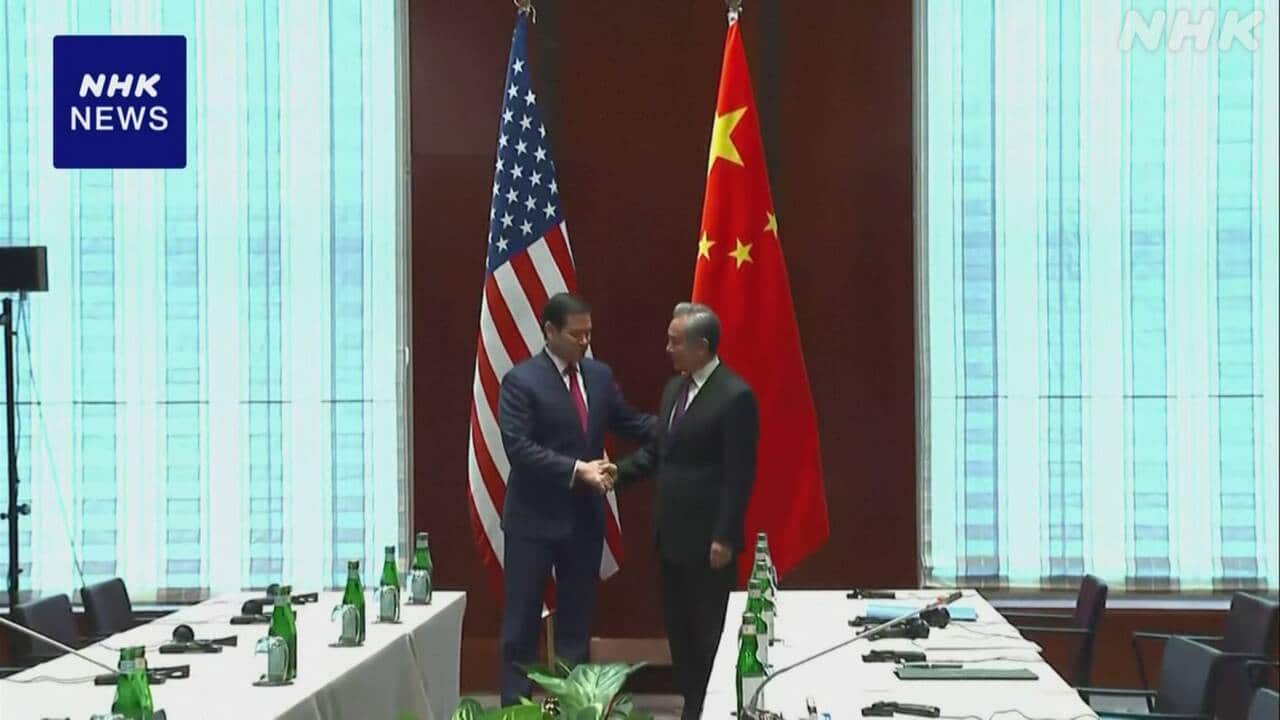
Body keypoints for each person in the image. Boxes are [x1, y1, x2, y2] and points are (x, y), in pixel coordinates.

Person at [497, 292, 656, 706]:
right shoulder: (521, 381)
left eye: (589, 334)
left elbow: (629, 421)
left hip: (583, 521)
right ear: (550, 331)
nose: (585, 342)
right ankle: (515, 709)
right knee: (521, 625)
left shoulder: (599, 376)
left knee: (575, 626)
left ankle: (573, 708)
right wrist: (576, 470)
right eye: (576, 335)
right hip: (532, 521)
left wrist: (682, 424)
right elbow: (519, 448)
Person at [616, 301, 758, 720]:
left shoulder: (735, 395)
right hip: (671, 537)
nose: (668, 349)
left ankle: (708, 710)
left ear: (702, 346)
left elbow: (739, 473)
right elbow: (660, 452)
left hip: (709, 542)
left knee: (708, 632)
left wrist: (725, 535)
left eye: (675, 342)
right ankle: (691, 708)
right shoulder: (673, 390)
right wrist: (616, 473)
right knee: (680, 634)